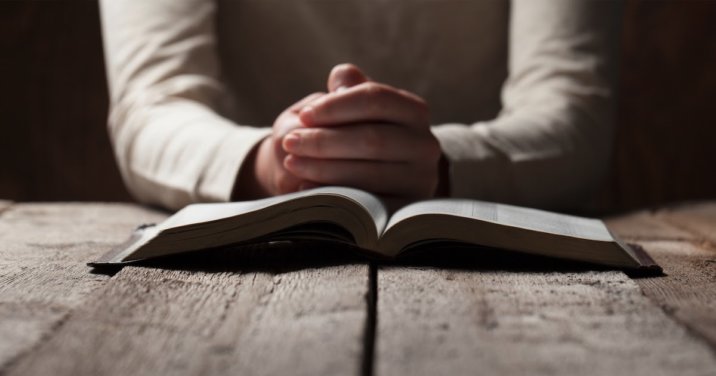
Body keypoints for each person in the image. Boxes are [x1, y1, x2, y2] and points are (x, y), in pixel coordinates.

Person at [99, 0, 619, 211]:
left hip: (493, 250)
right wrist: (273, 161)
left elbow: (572, 112)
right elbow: (152, 105)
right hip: (254, 247)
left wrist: (442, 163)